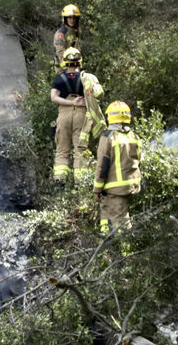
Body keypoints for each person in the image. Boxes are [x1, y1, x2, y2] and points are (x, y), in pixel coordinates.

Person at [49, 47, 104, 183]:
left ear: (65, 63)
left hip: (64, 114)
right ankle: (81, 182)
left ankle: (59, 181)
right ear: (80, 62)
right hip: (81, 115)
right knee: (81, 148)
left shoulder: (59, 79)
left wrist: (71, 102)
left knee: (62, 150)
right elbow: (98, 94)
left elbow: (54, 98)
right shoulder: (86, 78)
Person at [93, 100, 142, 234]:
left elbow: (102, 166)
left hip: (116, 188)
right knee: (111, 215)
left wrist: (97, 189)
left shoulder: (108, 137)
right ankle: (107, 241)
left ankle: (124, 251)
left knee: (120, 223)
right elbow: (139, 160)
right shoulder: (134, 136)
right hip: (132, 184)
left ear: (110, 117)